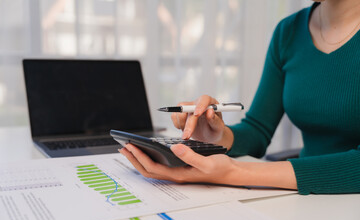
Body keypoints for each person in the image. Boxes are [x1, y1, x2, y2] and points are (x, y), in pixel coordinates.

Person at [119, 0, 360, 195]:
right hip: (303, 200)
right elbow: (258, 130)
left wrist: (234, 171)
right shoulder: (288, 32)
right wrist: (217, 136)